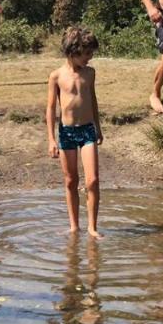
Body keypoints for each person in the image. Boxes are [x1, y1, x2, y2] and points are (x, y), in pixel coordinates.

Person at [47, 26, 104, 237]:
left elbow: (93, 100)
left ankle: (92, 227)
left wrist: (98, 127)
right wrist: (51, 139)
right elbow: (51, 108)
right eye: (87, 54)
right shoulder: (56, 76)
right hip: (66, 132)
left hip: (87, 130)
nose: (90, 58)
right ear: (73, 52)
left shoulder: (90, 73)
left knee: (93, 180)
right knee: (71, 180)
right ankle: (74, 226)